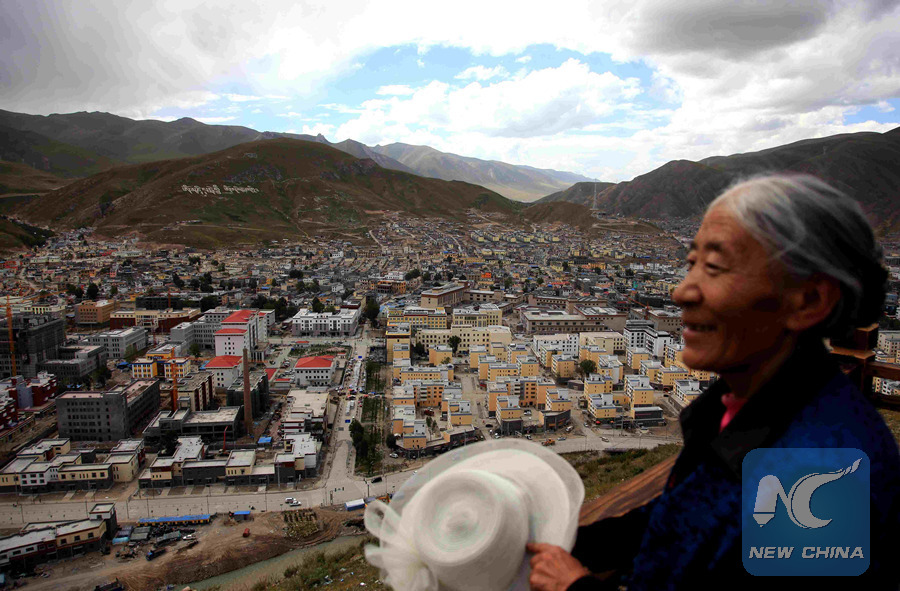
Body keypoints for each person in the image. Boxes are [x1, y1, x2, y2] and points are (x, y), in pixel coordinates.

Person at [528, 174, 900, 590]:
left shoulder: (820, 475)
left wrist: (574, 587)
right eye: (692, 265)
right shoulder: (745, 404)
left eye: (716, 269)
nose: (682, 291)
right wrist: (575, 542)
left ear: (809, 301)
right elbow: (682, 516)